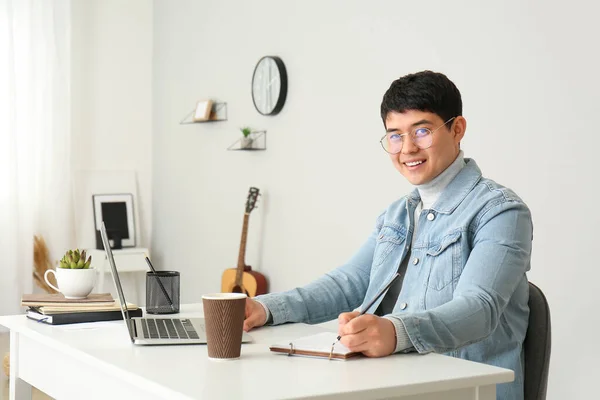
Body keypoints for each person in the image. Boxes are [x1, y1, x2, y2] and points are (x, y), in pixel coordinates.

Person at [244, 70, 532, 400]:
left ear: (457, 129)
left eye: (422, 131)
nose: (407, 148)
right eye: (395, 135)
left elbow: (480, 308)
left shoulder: (502, 212)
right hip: (393, 384)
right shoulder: (398, 213)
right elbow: (349, 283)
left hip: (467, 390)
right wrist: (264, 308)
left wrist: (396, 331)